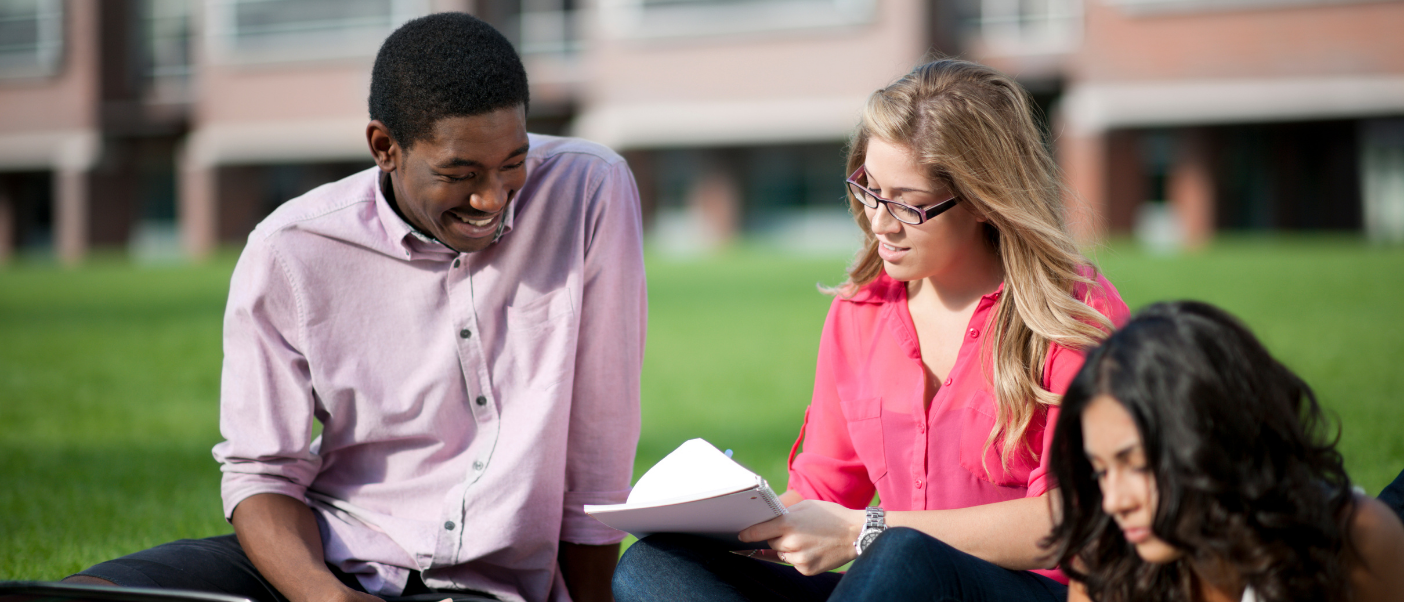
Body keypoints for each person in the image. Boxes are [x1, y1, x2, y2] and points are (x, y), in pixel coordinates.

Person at [63, 13, 645, 602]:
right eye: (460, 173)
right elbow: (263, 471)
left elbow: (598, 448)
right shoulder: (289, 250)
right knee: (99, 593)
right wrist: (322, 594)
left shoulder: (588, 191)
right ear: (384, 147)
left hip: (479, 584)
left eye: (513, 162)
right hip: (324, 552)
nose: (492, 197)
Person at [613, 58, 1129, 602]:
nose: (879, 222)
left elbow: (1071, 520)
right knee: (653, 568)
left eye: (908, 204)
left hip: (1027, 592)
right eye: (870, 189)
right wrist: (727, 523)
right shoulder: (860, 311)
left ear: (983, 199)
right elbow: (825, 490)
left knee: (903, 555)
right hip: (885, 584)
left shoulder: (1072, 314)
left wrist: (868, 531)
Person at [1046, 301, 1404, 602]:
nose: (1113, 502)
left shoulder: (1355, 542)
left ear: (1212, 437)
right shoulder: (1107, 571)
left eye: (1137, 464)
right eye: (1101, 471)